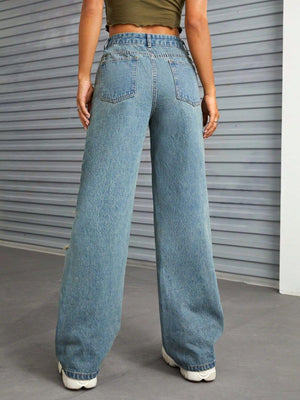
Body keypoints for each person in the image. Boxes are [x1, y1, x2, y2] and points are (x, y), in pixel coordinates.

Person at [55, 0, 224, 390]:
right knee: (187, 211)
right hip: (178, 71)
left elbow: (92, 10)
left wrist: (83, 76)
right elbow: (196, 21)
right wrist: (210, 90)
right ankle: (194, 352)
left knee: (102, 213)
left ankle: (81, 361)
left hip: (122, 62)